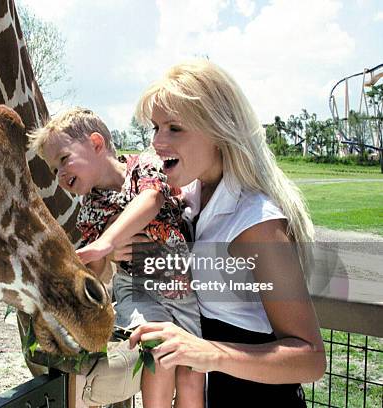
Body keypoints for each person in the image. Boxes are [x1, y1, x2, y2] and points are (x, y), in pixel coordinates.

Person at [121, 59, 326, 407]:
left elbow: (310, 359)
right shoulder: (191, 198)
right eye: (155, 128)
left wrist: (207, 352)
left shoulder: (256, 222)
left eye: (174, 128)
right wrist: (127, 253)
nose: (157, 141)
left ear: (218, 131)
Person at [28, 107, 204, 408]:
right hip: (137, 289)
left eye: (63, 160)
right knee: (158, 352)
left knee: (191, 372)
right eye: (54, 169)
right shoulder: (90, 209)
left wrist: (106, 242)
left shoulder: (145, 165)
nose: (59, 176)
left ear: (96, 144)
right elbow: (96, 268)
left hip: (183, 289)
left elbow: (151, 200)